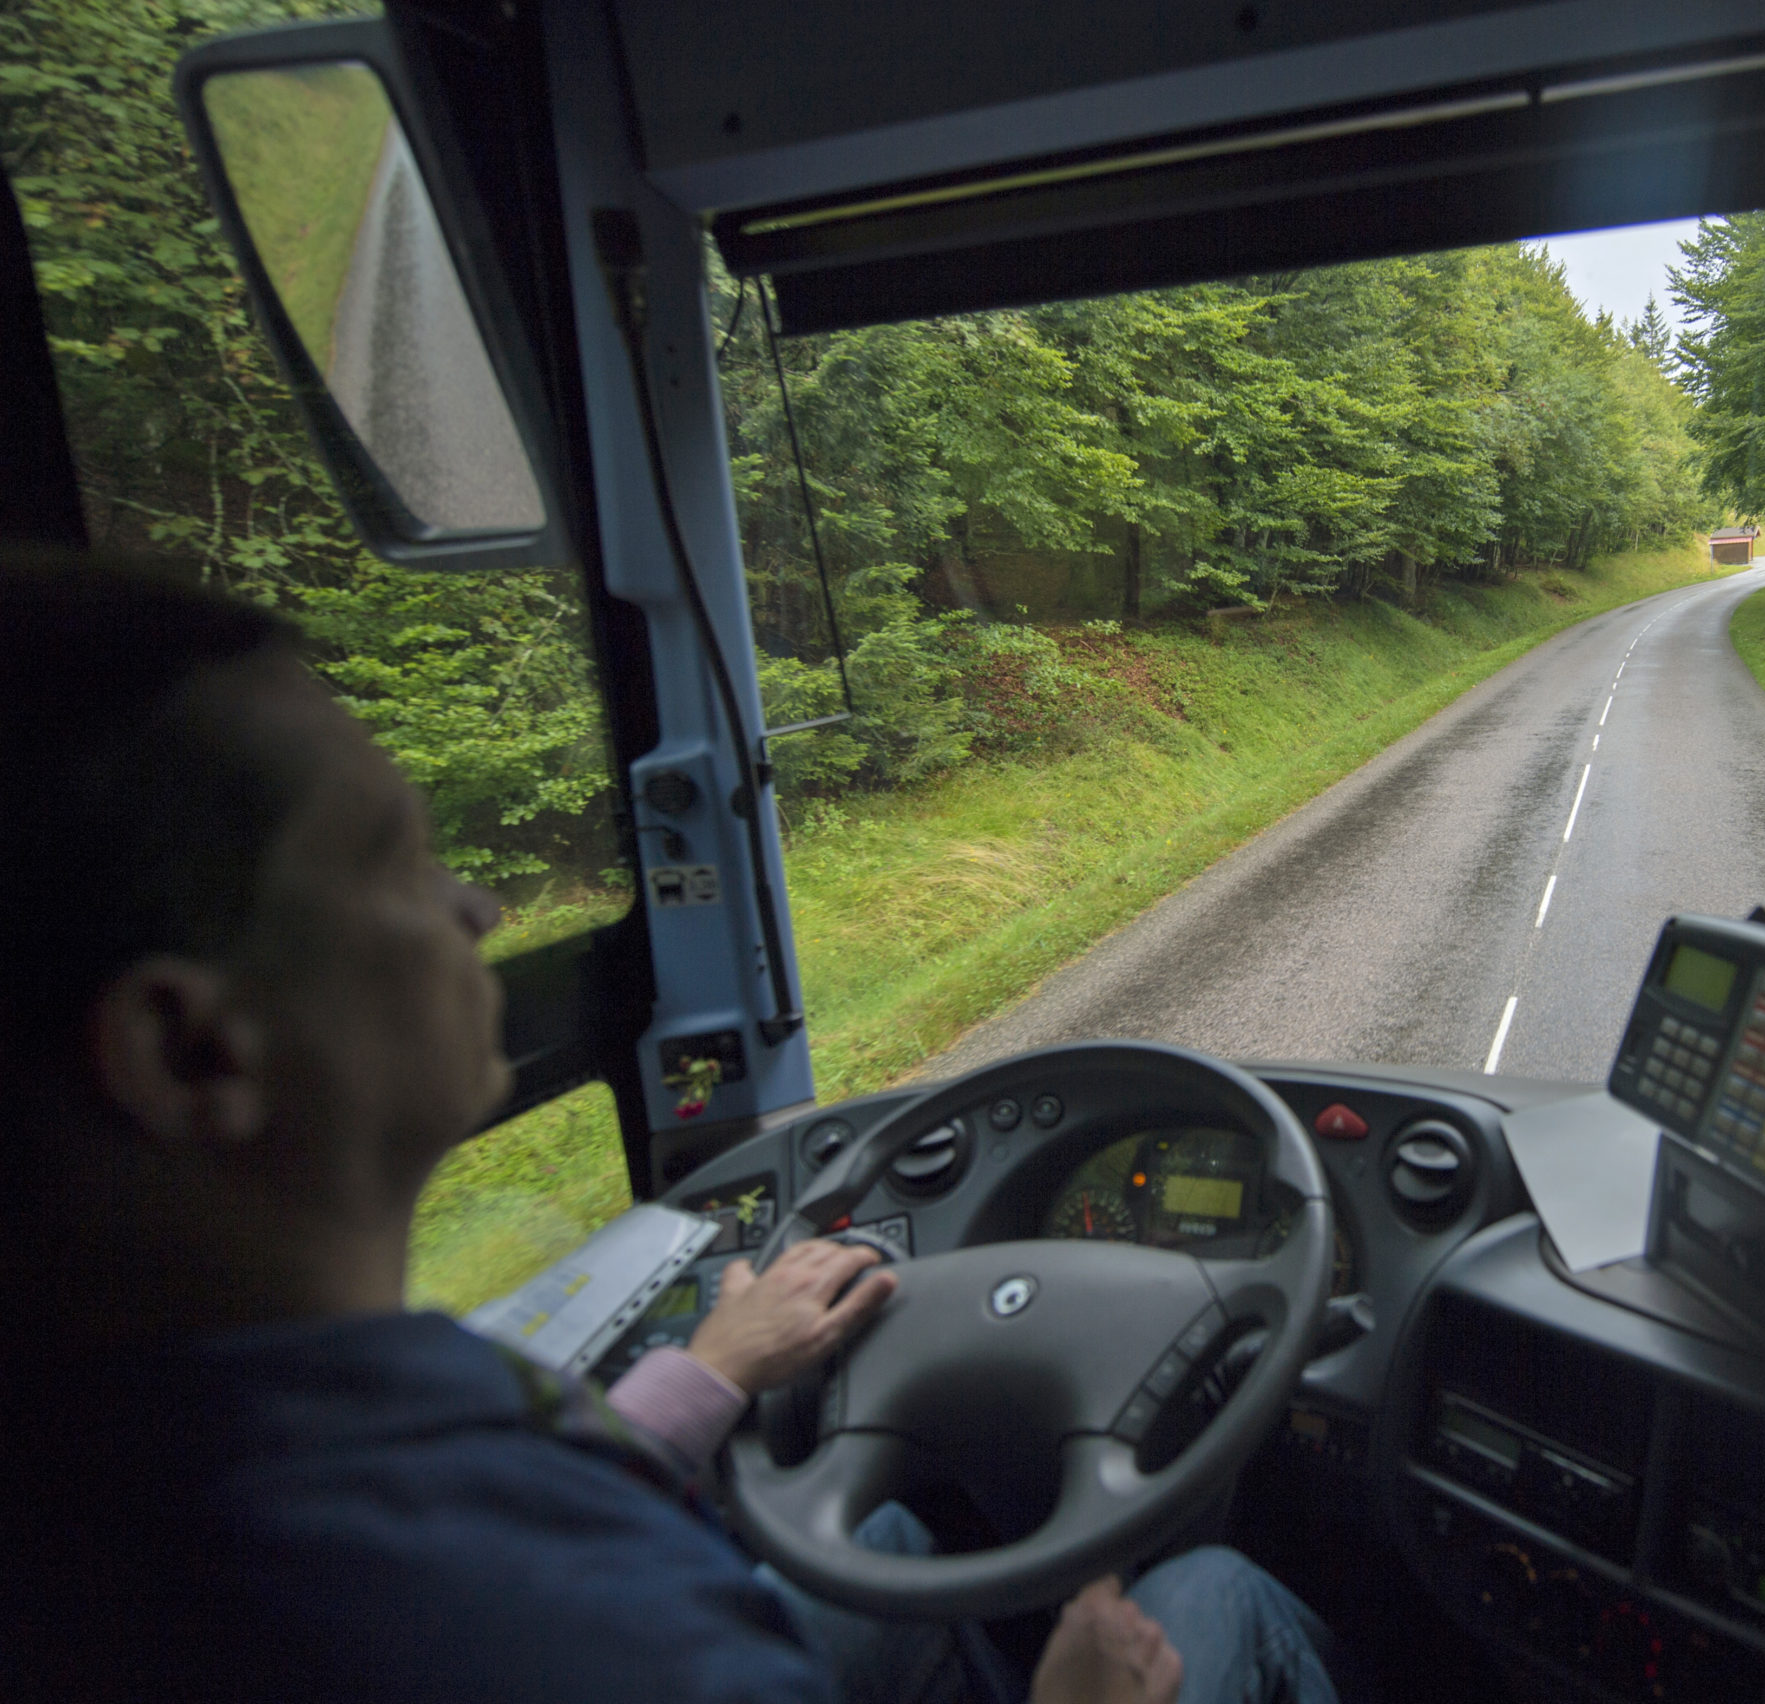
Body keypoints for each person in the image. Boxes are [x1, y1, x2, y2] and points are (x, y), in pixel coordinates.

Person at [0, 556, 1337, 1704]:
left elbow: (505, 1511)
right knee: (1213, 1591)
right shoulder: (583, 1642)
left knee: (888, 1545)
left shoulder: (152, 1469)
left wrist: (712, 1373)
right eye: (395, 864)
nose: (472, 908)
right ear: (189, 1052)